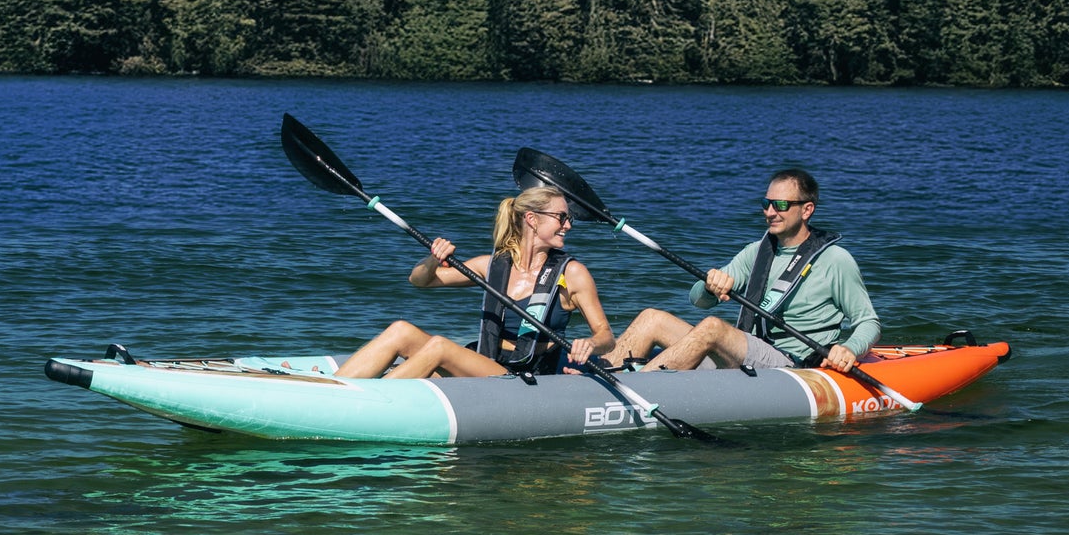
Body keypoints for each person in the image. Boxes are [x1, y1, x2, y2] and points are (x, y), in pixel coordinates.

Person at [607, 168, 879, 373]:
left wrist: (850, 348)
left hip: (791, 365)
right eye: (766, 203)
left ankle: (637, 391)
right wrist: (709, 286)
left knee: (713, 327)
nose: (770, 212)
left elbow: (868, 322)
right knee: (651, 318)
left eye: (781, 205)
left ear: (807, 210)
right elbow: (698, 301)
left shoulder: (835, 260)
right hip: (746, 353)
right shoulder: (756, 252)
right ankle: (602, 379)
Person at [334, 186, 615, 379]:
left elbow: (606, 337)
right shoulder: (491, 265)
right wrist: (434, 258)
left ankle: (371, 399)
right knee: (401, 330)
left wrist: (590, 344)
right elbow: (420, 281)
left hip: (524, 374)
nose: (568, 225)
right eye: (561, 217)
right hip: (485, 360)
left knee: (440, 346)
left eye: (569, 219)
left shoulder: (573, 273)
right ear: (531, 219)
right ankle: (335, 386)